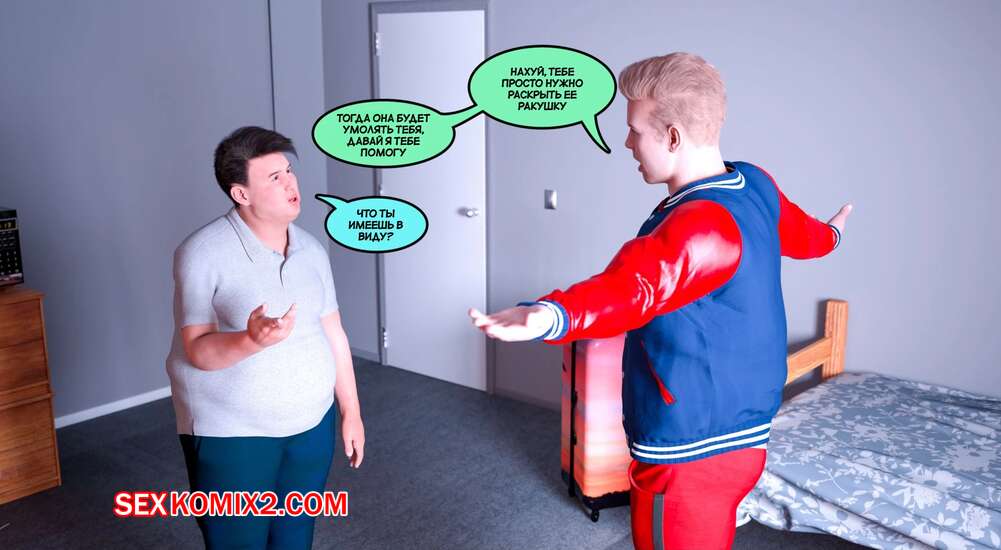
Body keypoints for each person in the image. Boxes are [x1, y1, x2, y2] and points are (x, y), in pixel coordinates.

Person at [469, 53, 853, 550]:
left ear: (672, 137)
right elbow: (803, 234)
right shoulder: (753, 183)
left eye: (635, 131)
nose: (627, 143)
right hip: (744, 434)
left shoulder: (701, 227)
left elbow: (632, 289)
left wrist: (548, 315)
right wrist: (833, 234)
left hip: (689, 454)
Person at [166, 126, 365, 549]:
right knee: (239, 541)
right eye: (274, 177)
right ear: (241, 193)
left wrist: (351, 411)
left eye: (289, 171)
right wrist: (251, 341)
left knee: (295, 535)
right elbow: (198, 350)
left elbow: (333, 332)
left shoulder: (312, 250)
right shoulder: (200, 252)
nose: (291, 183)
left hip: (312, 424)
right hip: (233, 434)